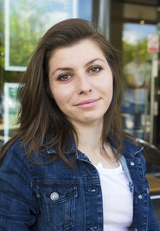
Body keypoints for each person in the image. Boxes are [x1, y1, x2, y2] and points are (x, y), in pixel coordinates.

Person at [0, 19, 159, 231]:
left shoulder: (130, 154)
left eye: (94, 69)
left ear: (111, 73)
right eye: (65, 76)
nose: (84, 86)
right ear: (49, 89)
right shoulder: (25, 157)